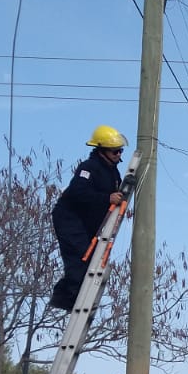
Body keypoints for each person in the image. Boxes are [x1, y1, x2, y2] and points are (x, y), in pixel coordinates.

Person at [50, 124, 129, 311]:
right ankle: (65, 299)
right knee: (80, 258)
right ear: (101, 150)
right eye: (114, 151)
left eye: (120, 151)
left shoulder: (113, 173)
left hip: (87, 222)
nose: (118, 155)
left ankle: (73, 298)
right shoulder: (89, 168)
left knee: (90, 260)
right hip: (69, 218)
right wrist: (107, 198)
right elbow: (78, 192)